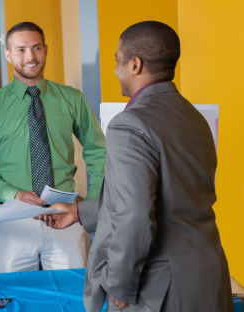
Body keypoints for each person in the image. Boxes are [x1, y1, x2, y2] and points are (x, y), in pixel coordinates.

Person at [38, 21, 233, 312]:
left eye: (117, 60)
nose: (116, 69)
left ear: (135, 65)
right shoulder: (193, 115)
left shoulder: (130, 123)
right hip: (208, 277)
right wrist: (80, 211)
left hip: (162, 288)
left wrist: (120, 283)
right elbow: (173, 195)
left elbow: (136, 215)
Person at [0, 22, 106, 273]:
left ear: (46, 50)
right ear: (8, 55)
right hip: (12, 222)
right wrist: (15, 194)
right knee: (15, 298)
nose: (30, 56)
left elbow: (98, 152)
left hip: (64, 216)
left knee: (71, 296)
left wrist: (89, 207)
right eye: (20, 50)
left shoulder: (72, 98)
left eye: (36, 47)